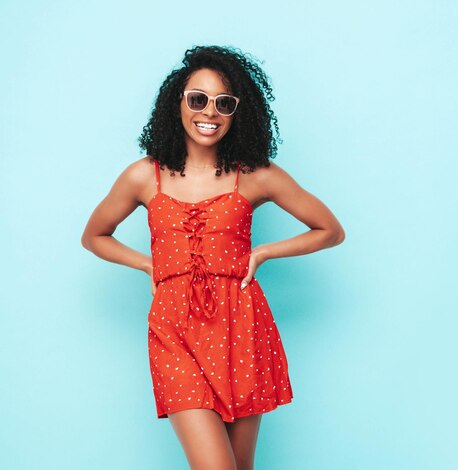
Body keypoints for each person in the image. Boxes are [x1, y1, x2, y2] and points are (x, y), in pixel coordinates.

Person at [81, 45, 345, 469]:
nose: (210, 112)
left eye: (224, 103)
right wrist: (150, 264)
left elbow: (330, 230)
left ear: (238, 111)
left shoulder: (256, 175)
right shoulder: (142, 176)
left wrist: (264, 252)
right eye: (198, 98)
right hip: (173, 332)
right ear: (179, 103)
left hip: (241, 326)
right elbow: (94, 236)